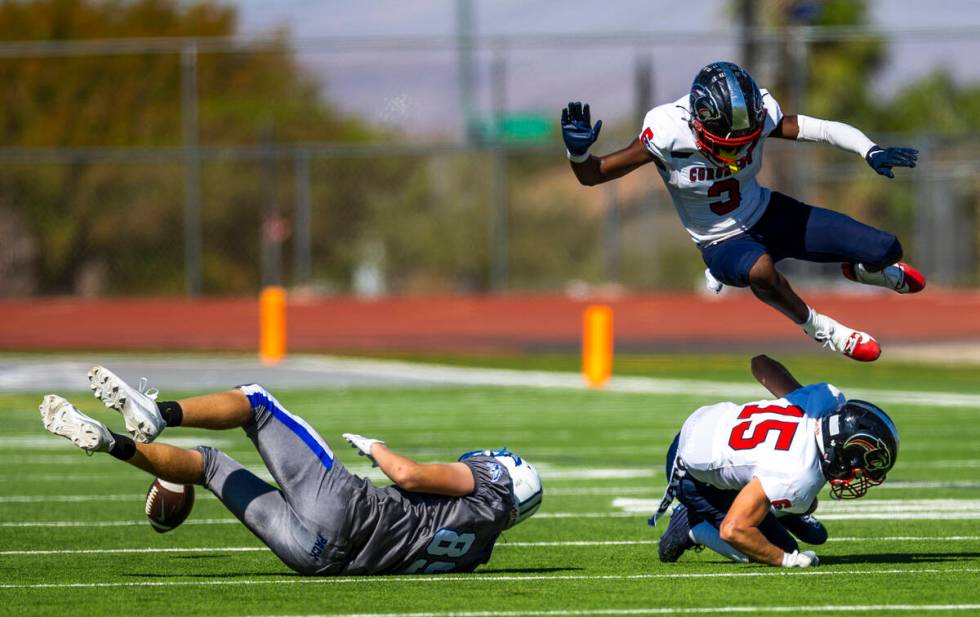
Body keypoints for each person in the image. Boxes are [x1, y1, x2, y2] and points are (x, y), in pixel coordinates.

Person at [562, 61, 925, 361]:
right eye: (727, 144)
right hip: (720, 242)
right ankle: (822, 330)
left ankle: (862, 270)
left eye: (744, 143)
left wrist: (869, 150)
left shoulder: (760, 114)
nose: (736, 153)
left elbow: (821, 129)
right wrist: (578, 154)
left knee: (886, 249)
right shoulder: (667, 133)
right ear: (698, 123)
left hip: (767, 212)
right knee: (760, 270)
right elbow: (594, 175)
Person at [39, 366, 543, 576]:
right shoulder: (477, 550)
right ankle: (108, 442)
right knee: (212, 468)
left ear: (506, 477)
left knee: (256, 402)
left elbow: (408, 476)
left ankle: (160, 412)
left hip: (348, 509)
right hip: (318, 558)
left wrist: (377, 447)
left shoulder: (490, 489)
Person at [649, 354, 898, 567]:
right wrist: (786, 561)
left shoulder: (822, 402)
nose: (862, 474)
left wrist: (797, 399)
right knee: (776, 547)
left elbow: (760, 363)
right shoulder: (797, 474)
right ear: (839, 449)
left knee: (812, 528)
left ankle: (779, 508)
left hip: (712, 420)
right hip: (691, 471)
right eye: (862, 466)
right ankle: (691, 525)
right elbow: (733, 529)